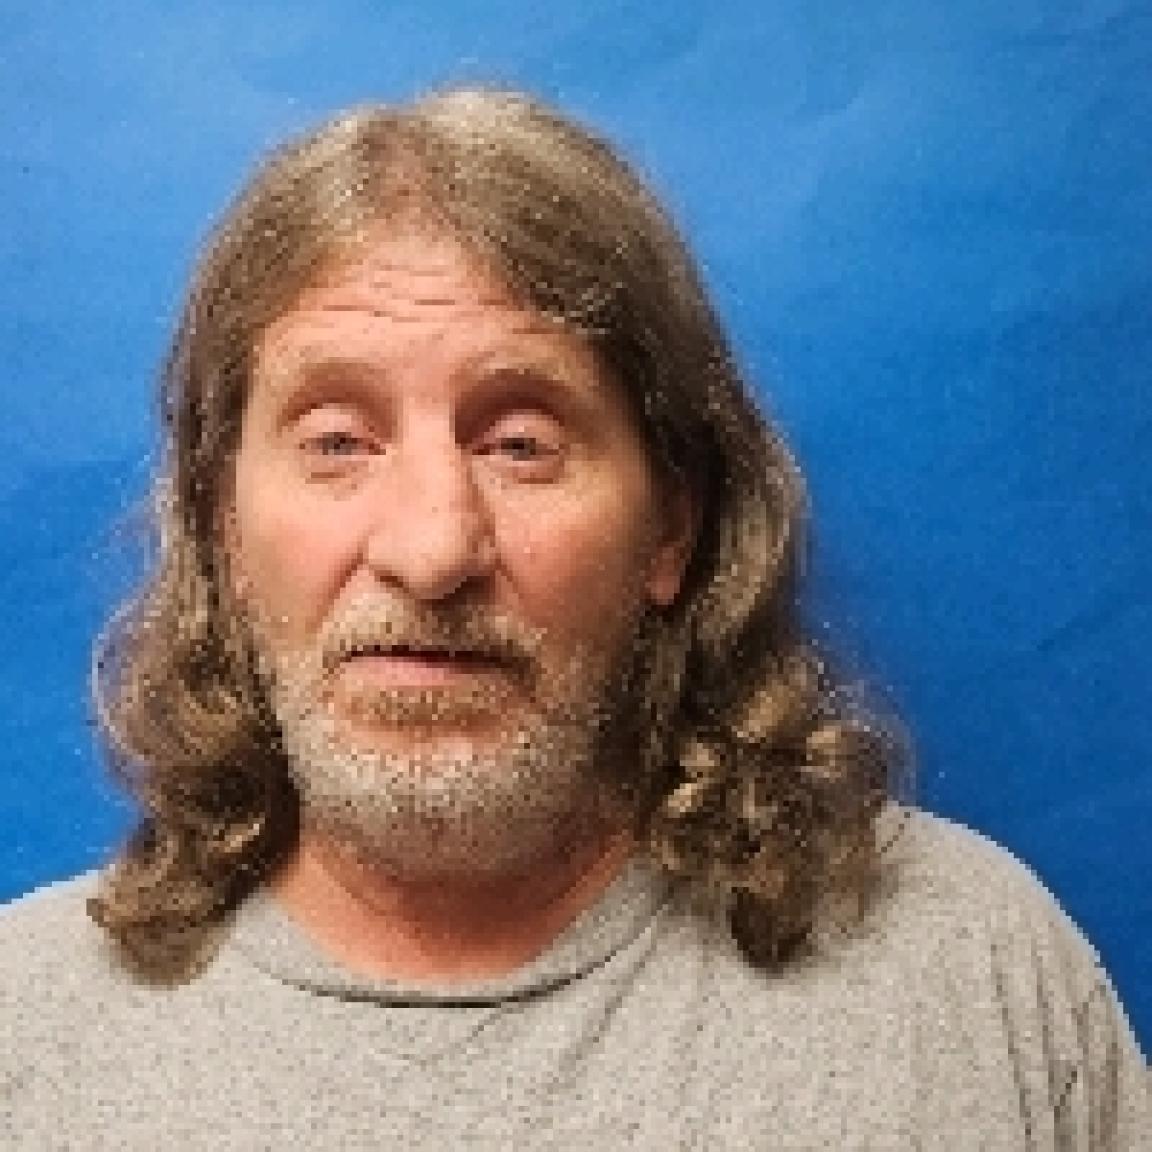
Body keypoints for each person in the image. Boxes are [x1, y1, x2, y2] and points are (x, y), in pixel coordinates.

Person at [1, 87, 1147, 1150]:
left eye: (521, 445)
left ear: (671, 532)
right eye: (338, 442)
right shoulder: (28, 1041)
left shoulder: (971, 974)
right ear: (223, 534)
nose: (432, 547)